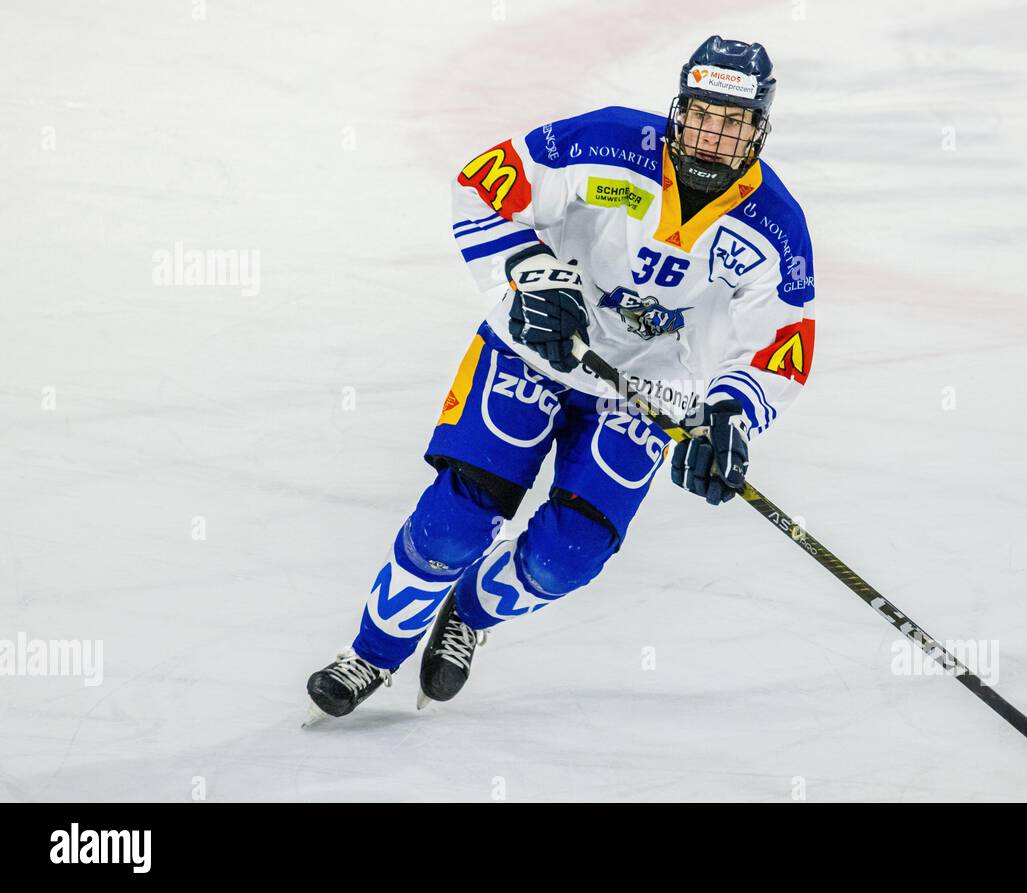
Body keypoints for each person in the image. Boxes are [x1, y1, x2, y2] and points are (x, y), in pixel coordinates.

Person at [306, 35, 816, 720]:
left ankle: (472, 610)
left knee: (566, 557)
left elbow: (779, 343)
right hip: (534, 350)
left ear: (758, 129)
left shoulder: (777, 229)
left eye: (731, 123)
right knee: (453, 525)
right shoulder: (606, 142)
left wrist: (729, 416)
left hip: (648, 392)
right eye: (700, 114)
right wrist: (530, 267)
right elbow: (484, 184)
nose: (709, 136)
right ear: (679, 108)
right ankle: (370, 653)